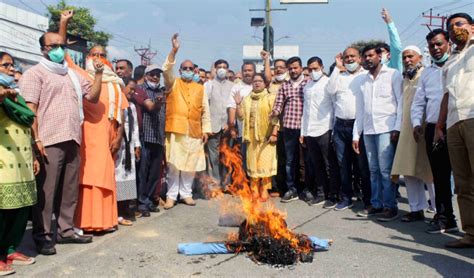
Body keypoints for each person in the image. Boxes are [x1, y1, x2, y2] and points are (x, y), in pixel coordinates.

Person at [20, 31, 101, 255]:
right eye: (52, 45)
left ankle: (66, 230)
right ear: (43, 49)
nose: (58, 49)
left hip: (73, 137)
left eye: (61, 45)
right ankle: (43, 235)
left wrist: (100, 75)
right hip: (49, 139)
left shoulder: (72, 75)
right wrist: (36, 140)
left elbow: (92, 97)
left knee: (69, 189)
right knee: (47, 191)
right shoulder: (34, 74)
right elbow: (30, 111)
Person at [71, 45, 128, 233]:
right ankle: (85, 222)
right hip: (89, 134)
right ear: (88, 57)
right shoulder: (81, 75)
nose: (98, 58)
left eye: (102, 55)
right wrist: (63, 24)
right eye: (94, 54)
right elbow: (65, 57)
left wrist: (119, 137)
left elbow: (122, 112)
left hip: (109, 135)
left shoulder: (114, 81)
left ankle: (105, 221)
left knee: (106, 177)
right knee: (89, 178)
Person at [411, 29, 458, 233]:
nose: (436, 49)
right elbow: (418, 102)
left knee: (465, 177)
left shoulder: (459, 66)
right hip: (433, 130)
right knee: (439, 176)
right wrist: (416, 123)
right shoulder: (427, 74)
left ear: (449, 43)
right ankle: (446, 218)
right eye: (431, 46)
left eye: (439, 44)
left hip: (457, 126)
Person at [435, 13, 474, 248]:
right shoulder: (449, 62)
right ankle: (470, 233)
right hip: (453, 123)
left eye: (459, 24)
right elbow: (446, 96)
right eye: (450, 27)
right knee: (462, 183)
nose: (454, 29)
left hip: (473, 117)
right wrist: (439, 126)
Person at [352, 44, 403, 222]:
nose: (368, 59)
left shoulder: (393, 75)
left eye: (371, 55)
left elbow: (401, 102)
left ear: (380, 56)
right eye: (365, 56)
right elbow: (360, 109)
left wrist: (397, 127)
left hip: (386, 128)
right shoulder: (362, 80)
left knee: (385, 170)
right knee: (373, 170)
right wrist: (356, 134)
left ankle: (390, 207)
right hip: (368, 129)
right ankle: (376, 204)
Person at [162, 34, 211, 209]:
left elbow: (205, 110)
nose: (187, 70)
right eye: (185, 68)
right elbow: (166, 69)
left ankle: (186, 194)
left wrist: (206, 130)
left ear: (195, 70)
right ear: (180, 70)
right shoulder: (173, 83)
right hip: (176, 130)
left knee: (190, 164)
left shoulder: (200, 88)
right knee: (174, 165)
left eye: (190, 68)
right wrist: (174, 51)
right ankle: (171, 196)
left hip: (194, 131)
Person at [0, 54, 38, 274]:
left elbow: (28, 119)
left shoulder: (16, 94)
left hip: (22, 160)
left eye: (12, 65)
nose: (10, 69)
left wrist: (33, 155)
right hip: (5, 161)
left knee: (21, 208)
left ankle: (11, 248)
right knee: (3, 210)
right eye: (5, 65)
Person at [391, 45, 434, 223]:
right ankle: (416, 209)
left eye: (411, 57)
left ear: (420, 58)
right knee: (408, 170)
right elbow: (401, 105)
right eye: (405, 58)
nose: (407, 60)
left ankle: (440, 210)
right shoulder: (405, 78)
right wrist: (396, 128)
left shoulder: (426, 74)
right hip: (407, 129)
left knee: (429, 172)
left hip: (423, 128)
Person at [327, 47, 371, 211]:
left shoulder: (365, 76)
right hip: (340, 126)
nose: (350, 59)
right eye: (346, 57)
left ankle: (368, 201)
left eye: (353, 56)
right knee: (343, 165)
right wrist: (337, 69)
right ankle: (346, 198)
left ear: (360, 58)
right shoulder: (339, 76)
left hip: (359, 125)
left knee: (362, 166)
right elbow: (330, 90)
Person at [300, 56, 340, 207]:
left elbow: (335, 107)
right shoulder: (307, 85)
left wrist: (333, 129)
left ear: (322, 67)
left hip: (325, 129)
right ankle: (321, 193)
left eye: (315, 69)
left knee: (329, 165)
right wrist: (303, 132)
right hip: (310, 130)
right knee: (317, 165)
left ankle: (333, 195)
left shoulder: (329, 83)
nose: (312, 72)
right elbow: (306, 110)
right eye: (310, 69)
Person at [234, 73, 279, 201]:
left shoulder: (270, 98)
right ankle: (254, 190)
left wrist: (274, 133)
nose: (257, 83)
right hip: (251, 137)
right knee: (252, 164)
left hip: (266, 137)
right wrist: (238, 104)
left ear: (265, 83)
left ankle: (264, 190)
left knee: (265, 164)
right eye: (255, 81)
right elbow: (240, 116)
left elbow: (276, 118)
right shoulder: (247, 99)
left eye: (260, 81)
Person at [270, 56, 308, 203]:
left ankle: (305, 189)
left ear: (301, 68)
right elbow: (278, 104)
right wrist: (275, 112)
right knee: (289, 161)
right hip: (289, 129)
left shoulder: (308, 83)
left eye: (295, 68)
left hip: (305, 129)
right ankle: (291, 189)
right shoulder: (284, 86)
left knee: (305, 161)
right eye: (290, 68)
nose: (293, 71)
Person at [137, 65, 166, 216]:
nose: (155, 77)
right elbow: (152, 108)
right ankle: (141, 203)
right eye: (153, 74)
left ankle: (148, 200)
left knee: (154, 173)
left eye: (158, 75)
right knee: (143, 172)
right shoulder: (140, 90)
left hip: (158, 137)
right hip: (145, 137)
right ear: (146, 75)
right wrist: (158, 104)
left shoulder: (161, 91)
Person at [115, 79, 141, 225]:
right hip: (119, 148)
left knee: (128, 179)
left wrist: (137, 145)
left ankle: (126, 209)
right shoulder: (117, 104)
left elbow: (135, 127)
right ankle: (118, 212)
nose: (132, 92)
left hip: (129, 147)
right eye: (130, 89)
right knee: (118, 179)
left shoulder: (131, 106)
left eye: (133, 90)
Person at [204, 59, 234, 188]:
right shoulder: (209, 85)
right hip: (213, 126)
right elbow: (204, 106)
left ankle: (226, 183)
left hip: (228, 126)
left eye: (224, 67)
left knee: (227, 156)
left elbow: (233, 106)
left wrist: (230, 123)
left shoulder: (233, 85)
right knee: (213, 158)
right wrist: (206, 127)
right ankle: (215, 184)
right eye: (219, 67)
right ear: (215, 69)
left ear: (228, 70)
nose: (222, 69)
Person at [262, 52, 288, 195]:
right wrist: (266, 60)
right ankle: (276, 186)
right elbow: (266, 77)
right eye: (276, 67)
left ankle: (288, 188)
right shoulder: (271, 85)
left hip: (288, 127)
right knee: (274, 159)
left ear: (287, 69)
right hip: (272, 127)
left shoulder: (291, 82)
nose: (278, 70)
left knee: (287, 160)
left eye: (281, 67)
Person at [228, 62, 256, 168]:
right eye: (245, 70)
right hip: (242, 131)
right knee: (243, 158)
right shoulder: (236, 87)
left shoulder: (258, 84)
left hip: (258, 132)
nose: (247, 73)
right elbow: (232, 107)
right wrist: (232, 127)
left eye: (250, 70)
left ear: (254, 72)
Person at [379, 8, 403, 72]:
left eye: (381, 51)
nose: (379, 54)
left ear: (389, 55)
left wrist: (389, 23)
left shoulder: (393, 66)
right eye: (377, 52)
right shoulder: (371, 70)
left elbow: (397, 48)